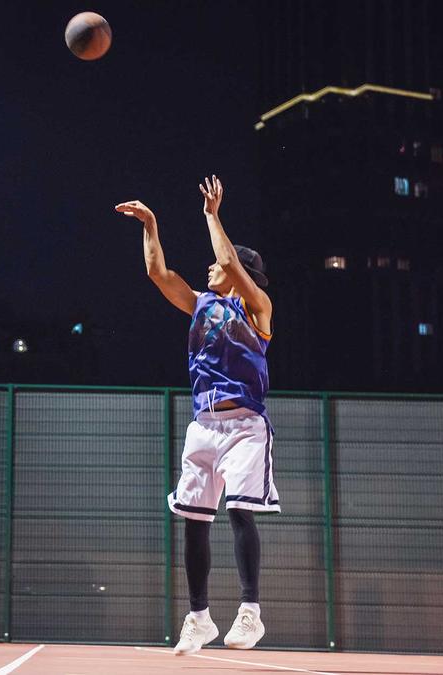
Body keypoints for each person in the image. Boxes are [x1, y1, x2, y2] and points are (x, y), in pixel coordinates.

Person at [115, 175, 277, 654]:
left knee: (241, 510)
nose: (211, 267)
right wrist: (151, 223)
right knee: (193, 518)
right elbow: (157, 273)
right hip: (204, 426)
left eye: (220, 264)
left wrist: (211, 214)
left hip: (245, 425)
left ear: (242, 272)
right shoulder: (202, 305)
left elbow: (226, 258)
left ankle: (250, 612)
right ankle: (199, 617)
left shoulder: (257, 308)